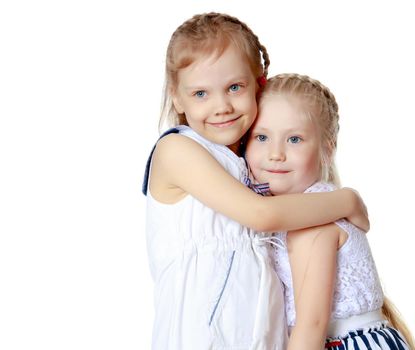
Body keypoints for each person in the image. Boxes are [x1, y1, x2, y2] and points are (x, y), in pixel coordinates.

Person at [142, 14, 369, 350]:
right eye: (201, 93)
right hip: (199, 337)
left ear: (258, 85)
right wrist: (348, 200)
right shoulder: (176, 149)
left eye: (235, 87)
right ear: (177, 97)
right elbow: (262, 215)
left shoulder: (249, 162)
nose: (221, 106)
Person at [245, 73, 415, 350]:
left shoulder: (313, 218)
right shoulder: (295, 211)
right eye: (261, 137)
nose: (276, 153)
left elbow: (311, 325)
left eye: (295, 139)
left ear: (327, 148)